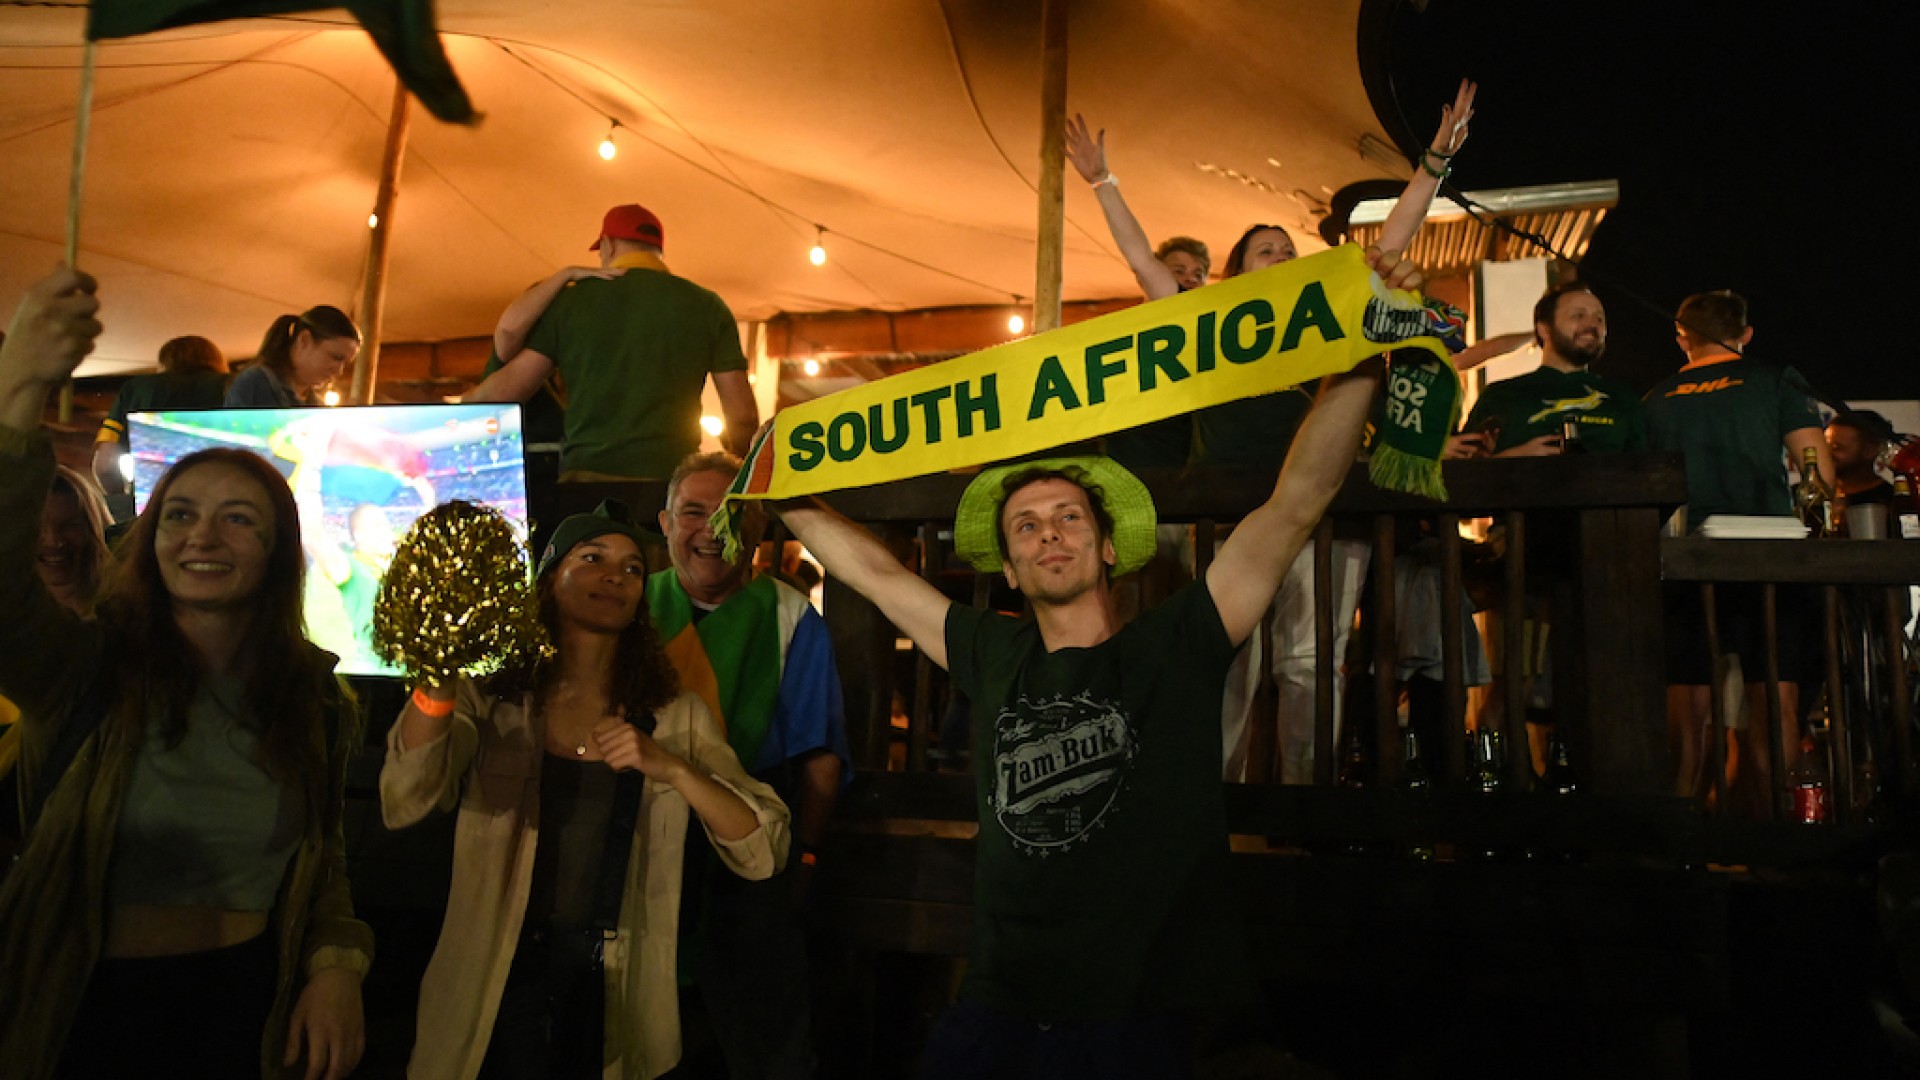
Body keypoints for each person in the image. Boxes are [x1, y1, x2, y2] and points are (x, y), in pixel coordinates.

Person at [770, 247, 1418, 1077]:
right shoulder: (992, 650)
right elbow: (878, 576)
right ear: (1009, 569)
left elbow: (1297, 502)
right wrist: (776, 490)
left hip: (1138, 1015)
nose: (1049, 532)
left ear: (1109, 547)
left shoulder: (1177, 643)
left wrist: (1363, 350)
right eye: (1027, 525)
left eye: (1069, 517)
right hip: (998, 1008)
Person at [0, 267, 372, 1079]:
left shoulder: (309, 695)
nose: (203, 536)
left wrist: (337, 965)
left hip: (244, 1010)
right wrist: (16, 397)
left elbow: (325, 863)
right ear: (151, 539)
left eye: (238, 518)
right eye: (180, 514)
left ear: (277, 553)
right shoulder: (85, 667)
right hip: (82, 1013)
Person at [1067, 83, 1487, 783]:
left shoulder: (1325, 312)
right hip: (1230, 516)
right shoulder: (1210, 327)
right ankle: (1220, 805)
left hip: (1325, 516)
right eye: (1266, 250)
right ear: (1234, 275)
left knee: (1313, 664)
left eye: (1289, 248)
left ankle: (1303, 806)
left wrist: (1434, 163)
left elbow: (1393, 238)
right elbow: (1145, 265)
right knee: (1228, 659)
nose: (1283, 255)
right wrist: (1102, 182)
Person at [381, 501, 790, 1080]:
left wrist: (672, 768)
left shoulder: (674, 716)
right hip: (490, 981)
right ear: (550, 578)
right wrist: (438, 675)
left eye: (631, 568)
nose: (615, 576)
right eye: (593, 558)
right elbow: (404, 798)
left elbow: (764, 849)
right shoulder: (492, 699)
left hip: (615, 992)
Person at [651, 452, 852, 1078]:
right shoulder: (631, 599)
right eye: (693, 512)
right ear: (665, 523)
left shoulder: (792, 616)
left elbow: (820, 760)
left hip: (750, 844)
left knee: (765, 1044)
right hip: (636, 840)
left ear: (760, 531)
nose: (712, 530)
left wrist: (805, 861)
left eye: (733, 515)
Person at [1644, 289, 1830, 811]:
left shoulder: (1655, 398)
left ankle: (1682, 827)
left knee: (1689, 700)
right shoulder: (1777, 381)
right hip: (1767, 556)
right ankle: (1774, 828)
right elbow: (1820, 474)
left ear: (1681, 337)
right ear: (1745, 334)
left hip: (1684, 560)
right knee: (1774, 696)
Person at [468, 204, 760, 480]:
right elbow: (742, 415)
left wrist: (468, 404)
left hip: (589, 476)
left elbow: (506, 390)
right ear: (658, 249)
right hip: (672, 479)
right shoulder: (706, 305)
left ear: (607, 245)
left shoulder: (572, 302)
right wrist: (743, 467)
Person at [1458, 282, 1649, 457]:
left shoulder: (1623, 398)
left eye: (1599, 319)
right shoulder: (1502, 395)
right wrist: (1512, 460)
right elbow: (1464, 472)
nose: (1592, 325)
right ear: (1544, 330)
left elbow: (1647, 471)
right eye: (1578, 316)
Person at [91, 334, 228, 493]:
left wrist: (123, 501)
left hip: (155, 498)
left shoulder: (136, 390)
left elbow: (105, 466)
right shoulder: (233, 385)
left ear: (164, 362)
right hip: (225, 496)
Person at [225, 305, 361, 408]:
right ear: (304, 340)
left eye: (345, 363)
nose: (339, 371)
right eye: (336, 357)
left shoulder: (316, 403)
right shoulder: (256, 382)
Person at [1827, 409, 1896, 507]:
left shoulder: (1893, 502)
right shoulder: (1813, 497)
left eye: (1836, 447)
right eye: (1825, 446)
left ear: (1870, 450)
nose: (1827, 453)